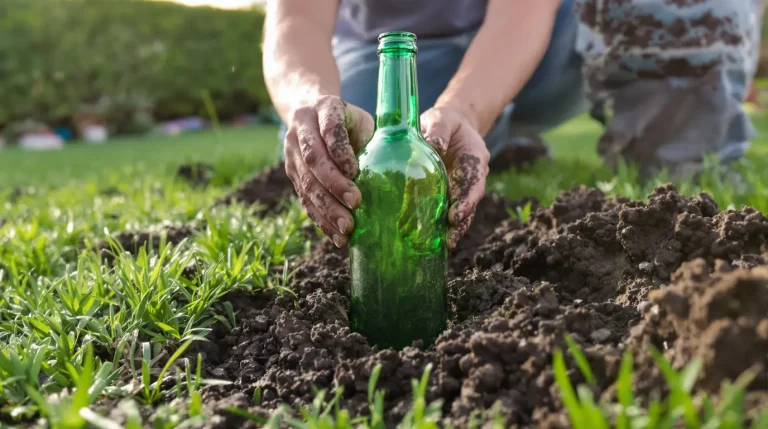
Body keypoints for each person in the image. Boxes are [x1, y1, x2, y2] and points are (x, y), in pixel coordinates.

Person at [263, 0, 764, 249]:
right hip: (398, 53)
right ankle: (490, 143)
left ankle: (685, 183)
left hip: (548, 45)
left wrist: (464, 109)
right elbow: (296, 19)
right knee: (370, 155)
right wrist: (313, 102)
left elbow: (522, 12)